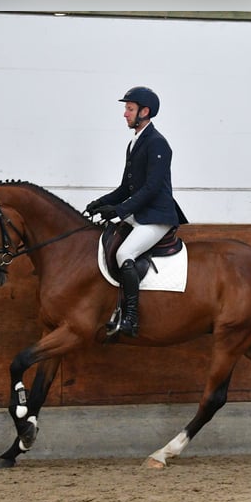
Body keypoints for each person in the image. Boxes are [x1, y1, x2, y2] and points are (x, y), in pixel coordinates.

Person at [85, 86, 188, 337]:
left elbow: (152, 188)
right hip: (141, 212)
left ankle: (131, 317)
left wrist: (119, 211)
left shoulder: (158, 144)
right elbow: (126, 187)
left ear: (145, 111)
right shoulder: (135, 143)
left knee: (124, 253)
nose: (125, 114)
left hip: (157, 217)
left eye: (129, 109)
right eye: (126, 109)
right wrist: (100, 203)